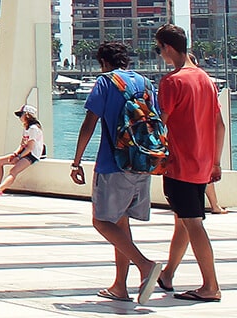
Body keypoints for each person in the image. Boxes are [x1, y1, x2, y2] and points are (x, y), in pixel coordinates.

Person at [71, 41, 165, 306]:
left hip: (113, 164)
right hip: (141, 162)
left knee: (101, 222)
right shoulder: (146, 83)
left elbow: (90, 122)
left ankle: (145, 266)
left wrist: (77, 161)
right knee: (121, 224)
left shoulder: (105, 82)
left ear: (103, 62)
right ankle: (119, 287)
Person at [153, 25, 224, 303]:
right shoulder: (206, 79)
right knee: (183, 221)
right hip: (203, 164)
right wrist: (216, 162)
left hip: (180, 163)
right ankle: (168, 274)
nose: (160, 54)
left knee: (192, 223)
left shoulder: (172, 82)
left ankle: (210, 286)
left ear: (168, 48)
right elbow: (219, 125)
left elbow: (161, 125)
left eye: (159, 49)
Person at [0, 108, 44, 196]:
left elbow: (30, 148)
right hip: (24, 153)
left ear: (27, 115)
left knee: (13, 171)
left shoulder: (33, 129)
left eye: (21, 115)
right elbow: (22, 144)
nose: (19, 118)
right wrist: (15, 154)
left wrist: (19, 157)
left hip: (32, 155)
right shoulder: (26, 128)